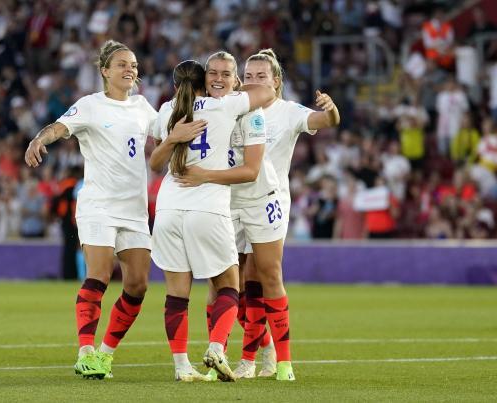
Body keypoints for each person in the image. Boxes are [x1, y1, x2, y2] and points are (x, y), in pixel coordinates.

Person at [24, 40, 202, 380]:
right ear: (105, 71)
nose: (129, 69)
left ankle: (105, 355)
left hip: (134, 209)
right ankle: (86, 351)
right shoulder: (90, 105)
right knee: (100, 274)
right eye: (121, 64)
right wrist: (38, 140)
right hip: (99, 206)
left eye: (133, 64)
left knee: (137, 285)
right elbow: (59, 128)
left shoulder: (142, 106)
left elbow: (166, 132)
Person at [182, 49, 340, 381]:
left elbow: (324, 121)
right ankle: (249, 350)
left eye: (261, 76)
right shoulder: (230, 107)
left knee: (262, 276)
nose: (253, 81)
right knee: (225, 284)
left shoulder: (287, 111)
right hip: (227, 201)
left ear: (276, 81)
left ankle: (270, 362)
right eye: (248, 76)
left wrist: (331, 110)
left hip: (267, 200)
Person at [149, 57, 275, 382]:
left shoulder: (168, 109)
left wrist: (173, 137)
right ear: (204, 80)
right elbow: (266, 91)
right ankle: (217, 348)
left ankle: (181, 367)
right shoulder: (225, 106)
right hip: (207, 208)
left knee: (176, 295)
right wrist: (239, 86)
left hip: (168, 208)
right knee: (228, 286)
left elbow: (155, 163)